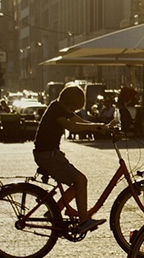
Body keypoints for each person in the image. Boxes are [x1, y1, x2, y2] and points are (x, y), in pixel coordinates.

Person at [33, 84, 111, 234]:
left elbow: (79, 121)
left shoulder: (60, 107)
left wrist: (101, 126)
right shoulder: (56, 110)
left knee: (78, 184)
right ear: (67, 103)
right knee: (81, 180)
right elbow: (72, 127)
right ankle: (84, 221)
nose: (72, 111)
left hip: (50, 154)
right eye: (72, 108)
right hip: (48, 156)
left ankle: (54, 211)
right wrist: (95, 128)